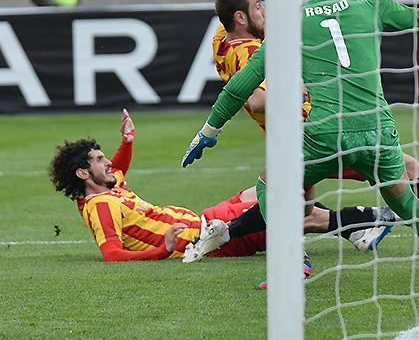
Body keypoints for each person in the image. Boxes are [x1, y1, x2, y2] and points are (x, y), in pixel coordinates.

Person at [182, 0, 419, 284]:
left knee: (271, 183)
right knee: (406, 201)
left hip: (324, 135)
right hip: (377, 131)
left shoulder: (290, 22)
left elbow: (241, 86)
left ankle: (293, 260)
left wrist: (209, 131)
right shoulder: (372, 4)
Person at [48, 110, 273, 263]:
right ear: (83, 173)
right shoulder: (101, 205)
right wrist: (162, 250)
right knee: (281, 204)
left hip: (206, 219)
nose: (107, 163)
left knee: (266, 186)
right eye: (99, 160)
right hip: (216, 237)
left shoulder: (109, 187)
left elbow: (118, 167)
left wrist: (127, 141)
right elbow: (112, 254)